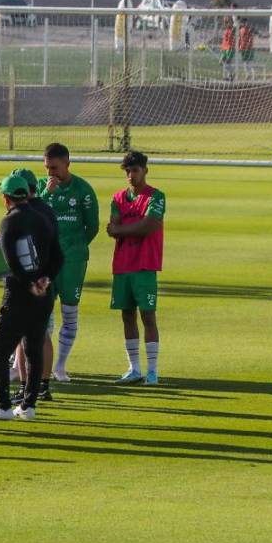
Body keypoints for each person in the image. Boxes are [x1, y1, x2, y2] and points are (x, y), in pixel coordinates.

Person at [0, 173, 63, 421]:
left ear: (5, 198)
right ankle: (28, 406)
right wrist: (45, 279)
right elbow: (58, 255)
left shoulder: (9, 222)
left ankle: (2, 405)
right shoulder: (44, 217)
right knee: (33, 348)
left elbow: (13, 262)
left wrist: (29, 283)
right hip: (43, 295)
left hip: (17, 296)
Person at [37, 143, 98, 385]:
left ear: (67, 164)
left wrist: (76, 247)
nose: (50, 173)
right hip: (45, 261)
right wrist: (46, 194)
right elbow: (32, 214)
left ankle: (60, 366)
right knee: (42, 313)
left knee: (70, 312)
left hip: (73, 260)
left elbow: (92, 225)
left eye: (54, 168)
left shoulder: (83, 190)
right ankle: (40, 364)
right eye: (47, 168)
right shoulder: (43, 188)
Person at [106, 151, 165, 386]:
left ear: (145, 170)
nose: (130, 175)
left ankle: (152, 371)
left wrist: (122, 230)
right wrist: (128, 228)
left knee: (148, 316)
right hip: (122, 266)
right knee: (126, 316)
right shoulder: (118, 198)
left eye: (135, 170)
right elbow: (112, 227)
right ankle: (134, 369)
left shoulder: (156, 196)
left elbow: (149, 225)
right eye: (127, 171)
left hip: (145, 264)